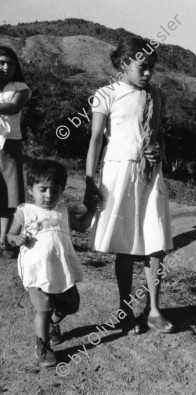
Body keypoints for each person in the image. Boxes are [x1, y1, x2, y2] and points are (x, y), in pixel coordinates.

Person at [85, 37, 175, 335]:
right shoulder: (106, 94)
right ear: (124, 64)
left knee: (155, 244)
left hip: (150, 175)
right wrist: (89, 179)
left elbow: (159, 134)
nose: (148, 73)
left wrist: (160, 151)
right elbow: (97, 139)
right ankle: (124, 310)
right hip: (119, 173)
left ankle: (154, 309)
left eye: (152, 68)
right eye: (142, 67)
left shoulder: (156, 96)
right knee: (125, 246)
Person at [7, 160, 97, 367]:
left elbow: (82, 226)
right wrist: (16, 239)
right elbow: (11, 235)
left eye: (54, 190)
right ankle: (43, 345)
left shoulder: (63, 211)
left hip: (62, 270)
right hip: (36, 271)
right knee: (44, 308)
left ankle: (52, 325)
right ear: (31, 190)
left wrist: (92, 211)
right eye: (43, 189)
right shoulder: (25, 211)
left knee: (71, 305)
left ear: (62, 191)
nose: (48, 195)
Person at [0, 46, 31, 258]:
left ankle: (4, 240)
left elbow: (13, 108)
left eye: (10, 63)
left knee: (10, 196)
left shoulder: (21, 87)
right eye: (1, 62)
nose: (5, 67)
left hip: (9, 145)